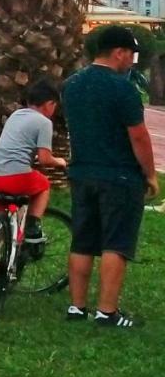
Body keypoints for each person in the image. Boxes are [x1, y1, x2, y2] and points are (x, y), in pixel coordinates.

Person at [62, 26, 156, 328]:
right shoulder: (123, 89)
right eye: (131, 54)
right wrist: (150, 174)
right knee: (116, 243)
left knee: (83, 240)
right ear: (119, 52)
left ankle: (77, 306)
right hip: (119, 175)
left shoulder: (71, 85)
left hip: (81, 172)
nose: (132, 61)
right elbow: (139, 137)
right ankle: (107, 311)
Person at [0, 78, 67, 291]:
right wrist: (60, 161)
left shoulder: (15, 115)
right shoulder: (44, 122)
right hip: (16, 177)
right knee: (42, 185)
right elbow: (44, 159)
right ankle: (33, 224)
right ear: (49, 104)